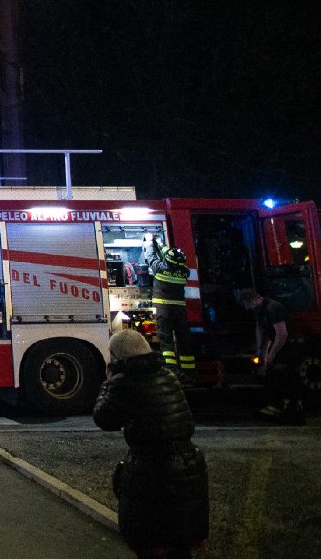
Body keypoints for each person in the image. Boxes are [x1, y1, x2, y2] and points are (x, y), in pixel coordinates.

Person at [94, 329, 209, 558]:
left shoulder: (123, 384)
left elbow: (103, 418)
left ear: (117, 358)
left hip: (152, 472)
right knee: (179, 544)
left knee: (152, 544)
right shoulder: (168, 376)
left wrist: (108, 382)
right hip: (189, 467)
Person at [238, 288, 304, 425]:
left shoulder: (273, 308)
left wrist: (271, 354)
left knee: (285, 376)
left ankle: (293, 410)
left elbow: (282, 334)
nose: (246, 308)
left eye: (246, 304)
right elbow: (261, 331)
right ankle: (278, 408)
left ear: (252, 300)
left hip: (289, 347)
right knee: (273, 376)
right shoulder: (259, 310)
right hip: (278, 345)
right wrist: (260, 353)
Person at [148, 234, 196, 384]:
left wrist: (150, 241)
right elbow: (170, 256)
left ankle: (171, 372)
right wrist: (160, 242)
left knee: (166, 342)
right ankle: (189, 374)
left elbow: (150, 256)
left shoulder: (160, 269)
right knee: (183, 341)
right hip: (180, 311)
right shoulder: (184, 271)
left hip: (163, 310)